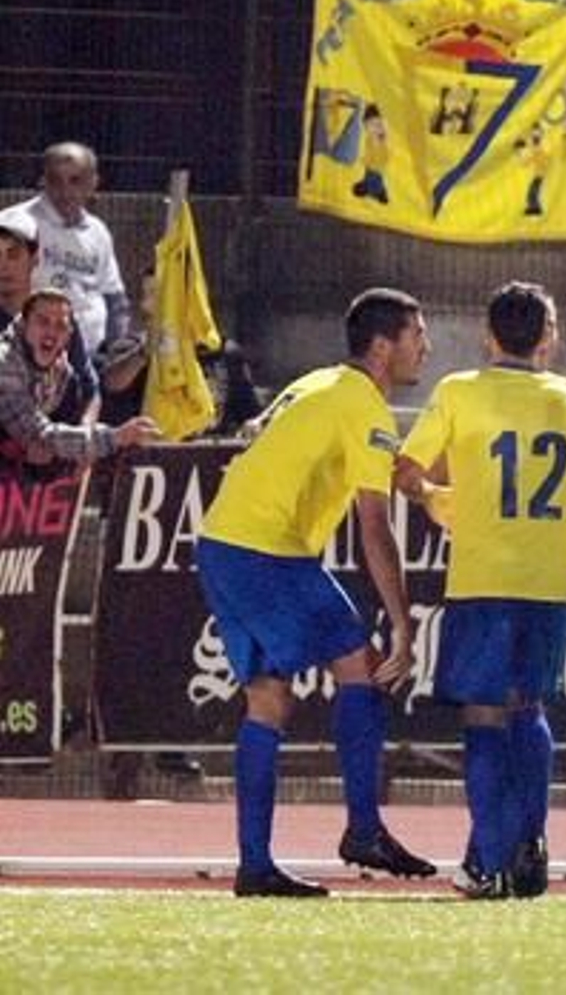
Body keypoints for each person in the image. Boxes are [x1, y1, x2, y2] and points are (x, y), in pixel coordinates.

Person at [396, 281, 566, 900]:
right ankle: (528, 843)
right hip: (547, 582)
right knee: (531, 709)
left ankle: (486, 861)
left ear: (489, 335)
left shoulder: (458, 391)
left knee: (484, 714)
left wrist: (436, 498)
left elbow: (406, 471)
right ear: (548, 337)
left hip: (483, 578)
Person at [195, 287, 437, 897]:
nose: (425, 348)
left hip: (224, 541)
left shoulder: (316, 383)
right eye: (417, 336)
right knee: (361, 662)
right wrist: (404, 627)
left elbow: (269, 437)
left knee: (269, 699)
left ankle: (255, 866)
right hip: (265, 549)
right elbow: (374, 528)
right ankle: (363, 829)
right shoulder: (363, 406)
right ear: (383, 347)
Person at [0, 288, 157, 479]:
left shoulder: (67, 347)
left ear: (69, 333)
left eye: (60, 326)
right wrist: (116, 437)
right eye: (43, 322)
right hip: (17, 433)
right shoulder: (6, 362)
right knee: (40, 448)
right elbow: (42, 435)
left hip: (42, 429)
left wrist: (86, 438)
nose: (51, 332)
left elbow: (92, 390)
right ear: (25, 326)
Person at [5, 142, 128, 355]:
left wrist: (114, 349)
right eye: (55, 180)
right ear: (43, 181)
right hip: (28, 355)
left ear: (93, 183)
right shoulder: (16, 224)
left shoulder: (97, 231)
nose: (65, 190)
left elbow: (113, 297)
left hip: (89, 355)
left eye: (75, 181)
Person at [0, 205, 99, 430]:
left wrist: (85, 438)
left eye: (13, 254)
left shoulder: (59, 319)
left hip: (59, 451)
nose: (2, 264)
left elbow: (90, 391)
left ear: (35, 257)